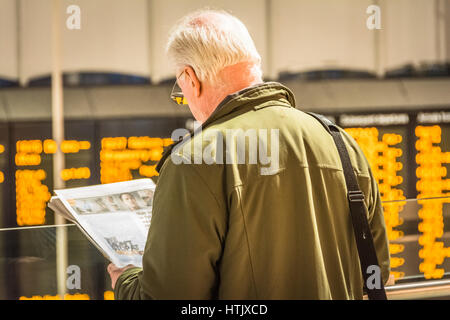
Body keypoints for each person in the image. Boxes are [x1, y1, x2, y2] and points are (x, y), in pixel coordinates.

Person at [107, 9, 390, 299]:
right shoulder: (341, 143)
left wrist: (125, 280)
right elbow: (375, 270)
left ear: (190, 79)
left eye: (181, 90)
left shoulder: (195, 160)